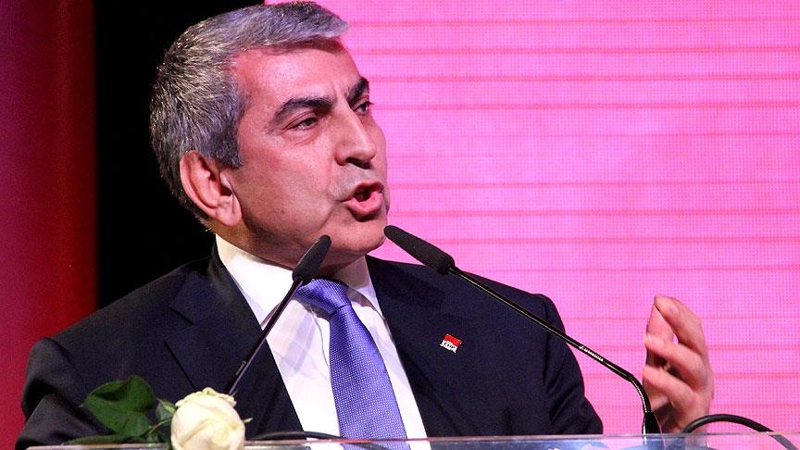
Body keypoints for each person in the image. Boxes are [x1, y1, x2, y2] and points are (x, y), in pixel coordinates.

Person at [17, 2, 714, 448]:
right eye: (307, 121)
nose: (361, 144)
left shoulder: (516, 335)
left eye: (362, 106)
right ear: (215, 183)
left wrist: (676, 445)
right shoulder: (100, 372)